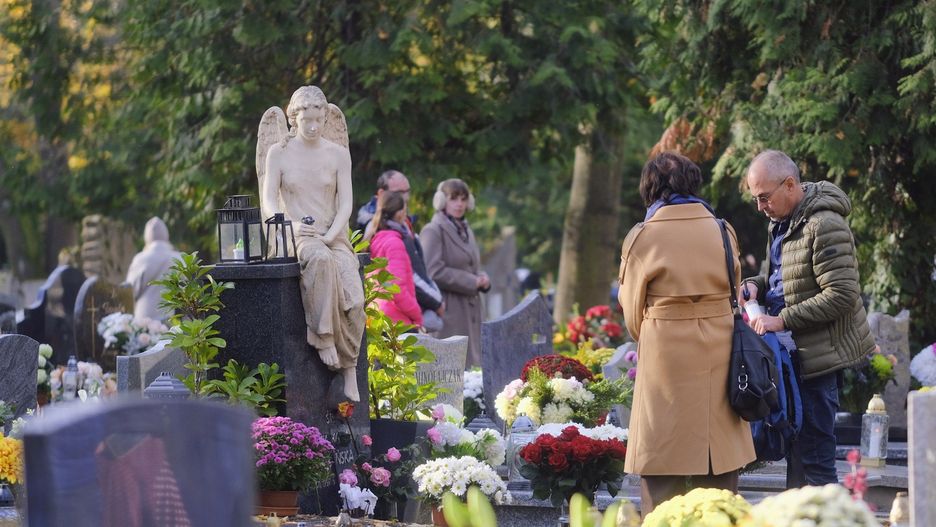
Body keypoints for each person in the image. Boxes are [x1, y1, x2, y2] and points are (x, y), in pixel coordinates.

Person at [617, 152, 755, 515]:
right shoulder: (722, 230)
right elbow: (734, 290)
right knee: (720, 471)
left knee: (663, 472)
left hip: (667, 356)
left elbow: (632, 316)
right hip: (721, 348)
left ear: (651, 187)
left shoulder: (643, 237)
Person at [740, 149, 874, 487]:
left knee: (816, 460)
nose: (760, 207)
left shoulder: (825, 224)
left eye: (764, 197)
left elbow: (841, 295)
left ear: (789, 185)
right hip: (788, 357)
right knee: (797, 456)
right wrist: (754, 286)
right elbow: (778, 279)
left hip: (817, 360)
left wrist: (780, 320)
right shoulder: (781, 222)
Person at [261, 86, 366, 402]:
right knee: (318, 261)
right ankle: (324, 338)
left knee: (356, 297)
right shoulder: (278, 152)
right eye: (306, 120)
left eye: (318, 120)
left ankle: (350, 369)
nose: (313, 127)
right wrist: (290, 226)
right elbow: (268, 202)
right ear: (294, 118)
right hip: (297, 237)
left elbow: (346, 204)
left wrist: (332, 234)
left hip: (333, 235)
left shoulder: (337, 154)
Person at [420, 179, 489, 367]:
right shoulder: (433, 230)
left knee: (472, 370)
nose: (459, 204)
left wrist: (482, 277)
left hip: (471, 311)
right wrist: (471, 281)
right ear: (441, 201)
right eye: (453, 198)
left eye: (463, 199)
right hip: (450, 310)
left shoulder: (467, 230)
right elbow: (433, 271)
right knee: (452, 369)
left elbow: (470, 265)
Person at [368, 191, 423, 327]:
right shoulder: (394, 243)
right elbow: (396, 289)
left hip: (378, 317)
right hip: (397, 323)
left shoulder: (375, 239)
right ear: (399, 213)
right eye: (405, 209)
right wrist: (417, 316)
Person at [124, 217, 180, 322]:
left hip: (145, 319)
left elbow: (130, 291)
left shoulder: (141, 259)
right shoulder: (179, 258)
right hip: (174, 319)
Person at [356, 170, 412, 240]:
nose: (406, 197)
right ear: (381, 193)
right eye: (399, 193)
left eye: (408, 191)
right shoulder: (367, 219)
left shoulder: (404, 216)